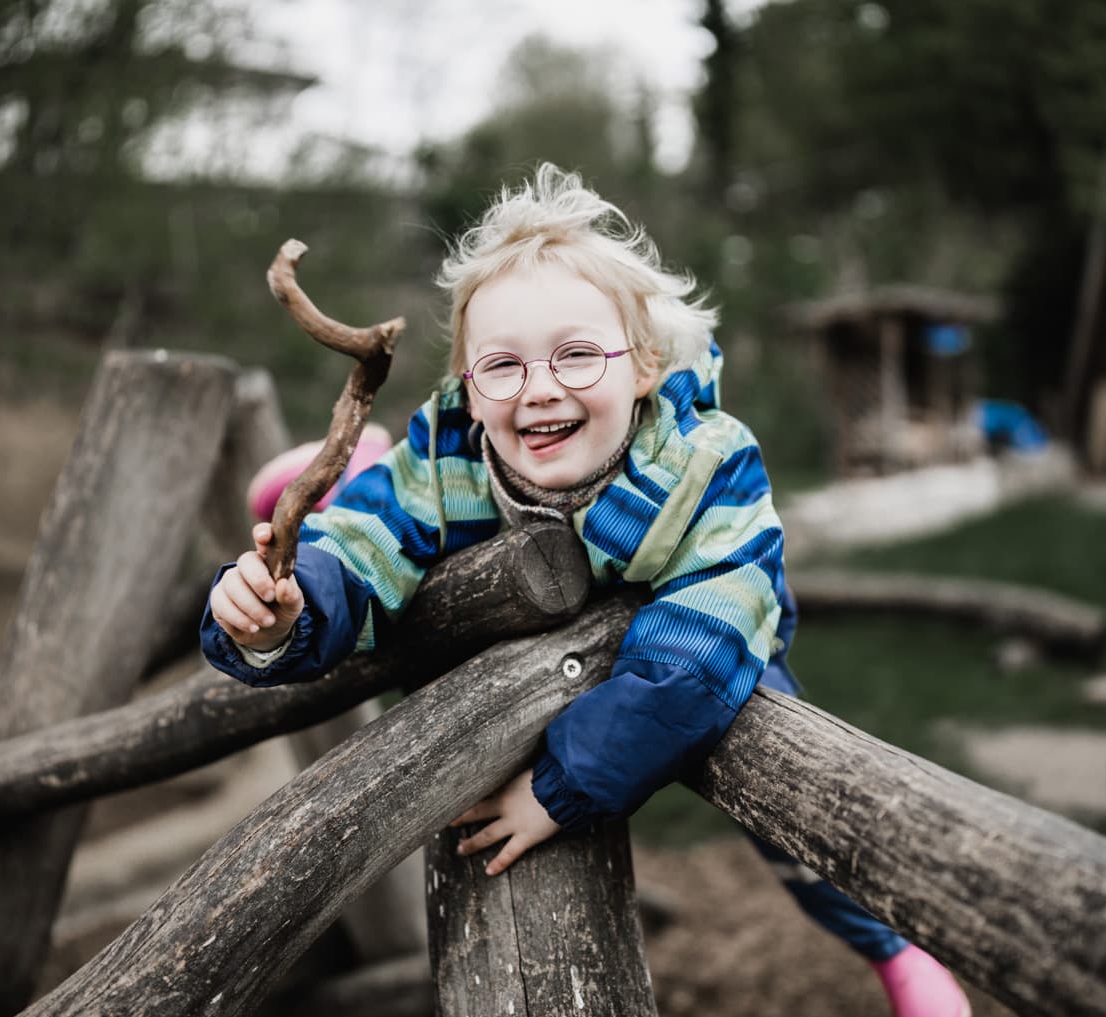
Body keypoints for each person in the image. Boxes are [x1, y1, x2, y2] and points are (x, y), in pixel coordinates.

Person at [202, 164, 971, 1017]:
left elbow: (692, 662)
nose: (538, 388)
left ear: (642, 367)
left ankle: (893, 951)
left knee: (774, 792)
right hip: (516, 624)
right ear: (465, 383)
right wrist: (284, 611)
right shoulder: (454, 445)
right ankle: (350, 477)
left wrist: (558, 788)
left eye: (575, 354)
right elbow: (370, 546)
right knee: (384, 560)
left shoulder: (707, 464)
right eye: (502, 366)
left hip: (718, 629)